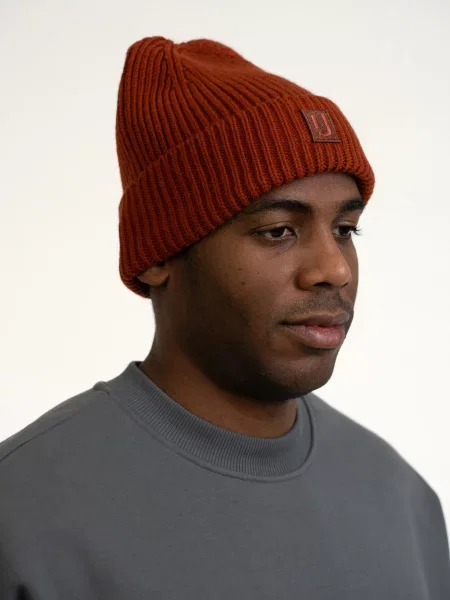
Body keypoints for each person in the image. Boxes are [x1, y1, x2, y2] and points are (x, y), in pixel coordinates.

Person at [1, 35, 449, 599]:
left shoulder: (404, 504)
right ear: (160, 254)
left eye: (345, 229)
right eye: (278, 231)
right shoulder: (22, 512)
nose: (334, 269)